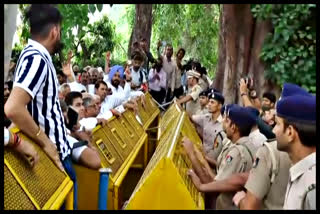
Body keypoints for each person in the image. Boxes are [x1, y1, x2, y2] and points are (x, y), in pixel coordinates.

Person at [4, 4, 80, 209]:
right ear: (55, 31)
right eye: (61, 30)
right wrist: (47, 143)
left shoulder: (33, 56)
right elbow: (13, 108)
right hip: (50, 161)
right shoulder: (36, 58)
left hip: (51, 157)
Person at [187, 104, 257, 210]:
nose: (223, 122)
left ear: (233, 127)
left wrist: (191, 154)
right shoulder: (250, 146)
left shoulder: (236, 153)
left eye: (227, 121)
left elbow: (214, 186)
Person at [273, 84, 315, 210]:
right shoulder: (300, 172)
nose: (274, 130)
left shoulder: (312, 188)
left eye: (277, 124)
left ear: (290, 132)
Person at [191, 90, 225, 161]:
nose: (209, 104)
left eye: (212, 102)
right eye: (209, 102)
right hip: (202, 156)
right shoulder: (206, 118)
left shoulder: (223, 125)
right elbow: (191, 117)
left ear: (219, 106)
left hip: (212, 162)